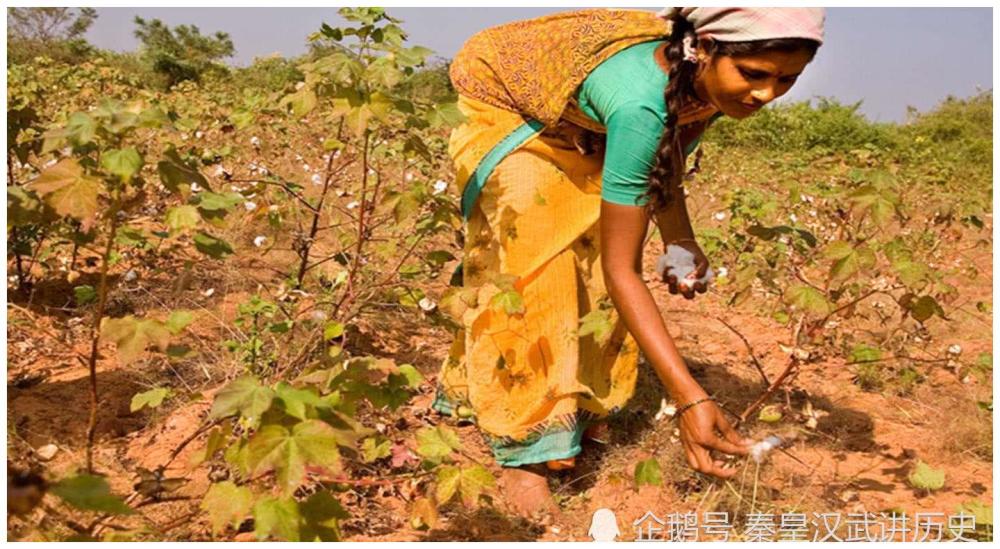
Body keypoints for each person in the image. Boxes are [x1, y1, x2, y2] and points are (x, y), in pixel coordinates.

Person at [431, 7, 825, 520]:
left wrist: (680, 240)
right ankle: (525, 454)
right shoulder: (641, 101)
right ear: (702, 48)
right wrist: (689, 398)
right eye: (754, 74)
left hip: (587, 117)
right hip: (511, 108)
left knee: (595, 258)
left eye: (786, 79)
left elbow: (663, 161)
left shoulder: (699, 86)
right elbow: (628, 270)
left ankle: (556, 401)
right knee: (536, 268)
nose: (766, 94)